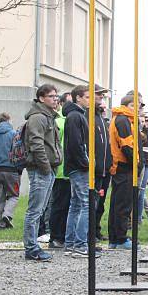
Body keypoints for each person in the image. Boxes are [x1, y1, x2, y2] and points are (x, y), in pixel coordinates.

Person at [23, 84, 62, 262]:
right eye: (52, 96)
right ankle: (31, 248)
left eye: (56, 96)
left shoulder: (49, 116)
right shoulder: (38, 117)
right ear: (41, 98)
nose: (55, 99)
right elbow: (36, 143)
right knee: (35, 210)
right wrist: (46, 167)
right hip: (40, 169)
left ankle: (33, 246)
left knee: (40, 210)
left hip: (48, 169)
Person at [63, 85, 100, 258]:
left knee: (76, 204)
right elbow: (76, 145)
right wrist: (86, 163)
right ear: (78, 98)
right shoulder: (75, 117)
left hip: (76, 166)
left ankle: (71, 243)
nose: (90, 100)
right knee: (86, 203)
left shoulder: (76, 115)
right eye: (87, 97)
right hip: (79, 167)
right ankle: (80, 244)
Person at [108, 92, 142, 249]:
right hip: (124, 166)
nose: (139, 108)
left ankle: (115, 239)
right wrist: (135, 163)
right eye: (136, 105)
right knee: (123, 204)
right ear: (129, 106)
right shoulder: (123, 120)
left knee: (117, 203)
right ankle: (120, 239)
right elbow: (127, 145)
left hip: (121, 165)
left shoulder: (124, 119)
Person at [48, 99, 70, 249]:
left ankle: (64, 235)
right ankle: (56, 237)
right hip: (61, 170)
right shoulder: (58, 121)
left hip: (71, 169)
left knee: (69, 206)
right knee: (59, 205)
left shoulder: (67, 119)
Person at [92, 87, 112, 241]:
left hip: (104, 168)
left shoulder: (101, 119)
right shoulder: (89, 117)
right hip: (94, 168)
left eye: (103, 95)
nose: (101, 97)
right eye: (98, 94)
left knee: (100, 203)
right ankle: (89, 233)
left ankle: (96, 230)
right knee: (91, 203)